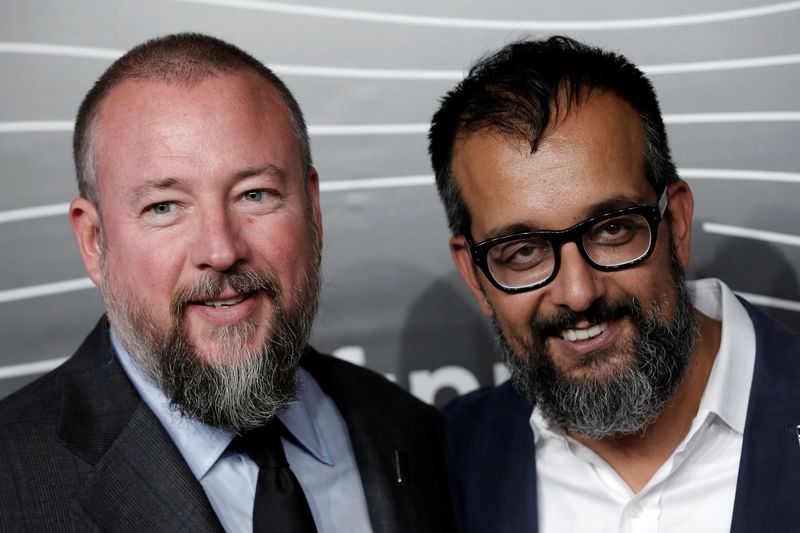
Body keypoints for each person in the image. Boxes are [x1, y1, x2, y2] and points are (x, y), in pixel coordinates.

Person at [0, 33, 454, 533]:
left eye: (254, 195)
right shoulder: (13, 481)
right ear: (94, 241)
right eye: (164, 207)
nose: (220, 250)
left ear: (313, 210)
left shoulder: (418, 435)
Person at [428, 35, 800, 533]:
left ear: (679, 223)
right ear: (475, 276)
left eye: (612, 229)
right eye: (523, 252)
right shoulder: (446, 463)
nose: (579, 293)